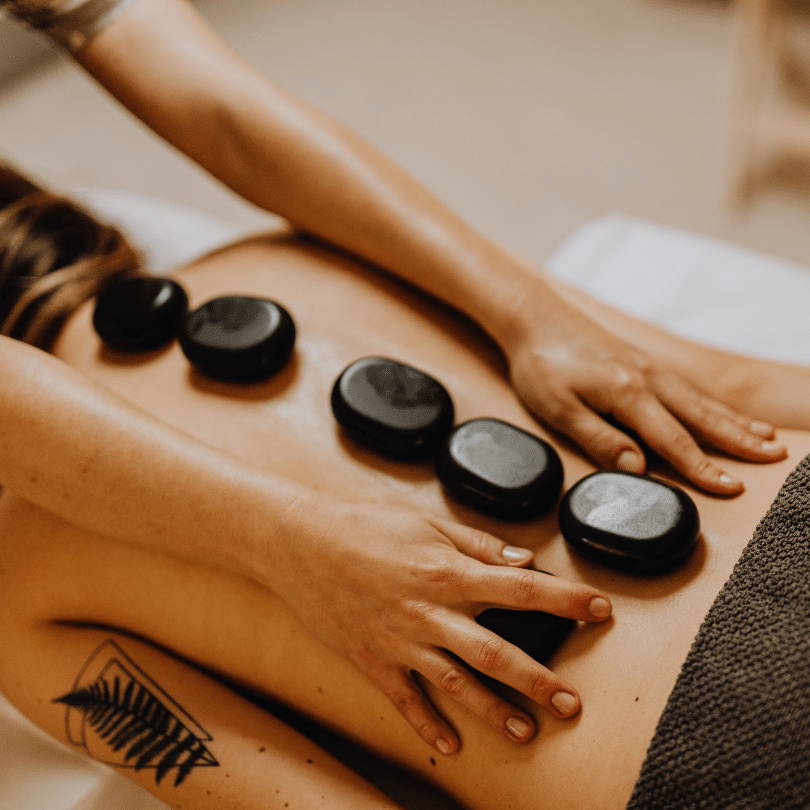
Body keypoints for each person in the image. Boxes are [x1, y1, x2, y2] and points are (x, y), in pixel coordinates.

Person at [0, 0, 787, 756]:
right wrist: (289, 541)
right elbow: (737, 385)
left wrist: (527, 313)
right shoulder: (322, 251)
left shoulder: (26, 588)